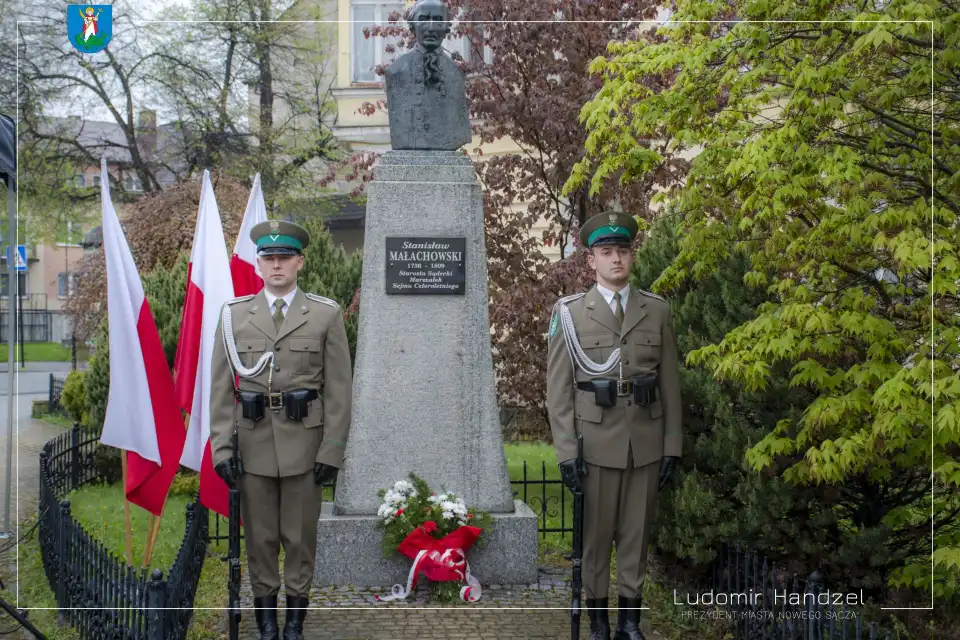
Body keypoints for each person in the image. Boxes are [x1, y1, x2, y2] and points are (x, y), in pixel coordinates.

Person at [209, 219, 353, 640]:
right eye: (268, 258)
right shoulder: (234, 316)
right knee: (260, 539)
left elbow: (340, 390)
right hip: (252, 445)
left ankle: (294, 623)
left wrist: (331, 450)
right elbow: (221, 390)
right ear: (257, 264)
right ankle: (266, 623)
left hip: (305, 446)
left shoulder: (325, 314)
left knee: (300, 538)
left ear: (299, 262)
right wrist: (222, 449)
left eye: (284, 258)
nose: (276, 266)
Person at [546, 211, 682, 640]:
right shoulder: (570, 313)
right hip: (596, 442)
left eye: (622, 251)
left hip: (644, 441)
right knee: (596, 539)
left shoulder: (656, 310)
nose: (616, 259)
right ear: (591, 261)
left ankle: (630, 622)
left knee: (635, 537)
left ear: (632, 255)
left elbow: (670, 384)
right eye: (606, 252)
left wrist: (672, 446)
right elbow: (559, 390)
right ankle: (599, 623)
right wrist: (567, 452)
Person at [384, 0, 472, 150]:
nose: (431, 28)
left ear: (446, 28)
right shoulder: (396, 71)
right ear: (412, 27)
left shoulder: (456, 75)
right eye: (423, 20)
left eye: (438, 21)